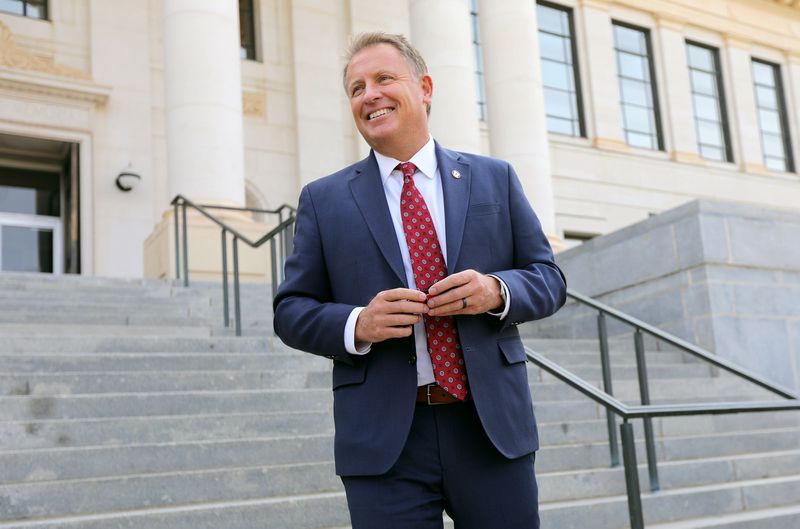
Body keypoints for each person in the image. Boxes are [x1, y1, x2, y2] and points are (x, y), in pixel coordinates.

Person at [273, 32, 566, 529]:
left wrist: (496, 291)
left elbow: (549, 278)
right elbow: (291, 310)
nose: (369, 95)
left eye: (384, 78)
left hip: (489, 427)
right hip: (385, 442)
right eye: (356, 88)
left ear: (425, 88)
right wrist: (359, 323)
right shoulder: (324, 200)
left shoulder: (495, 178)